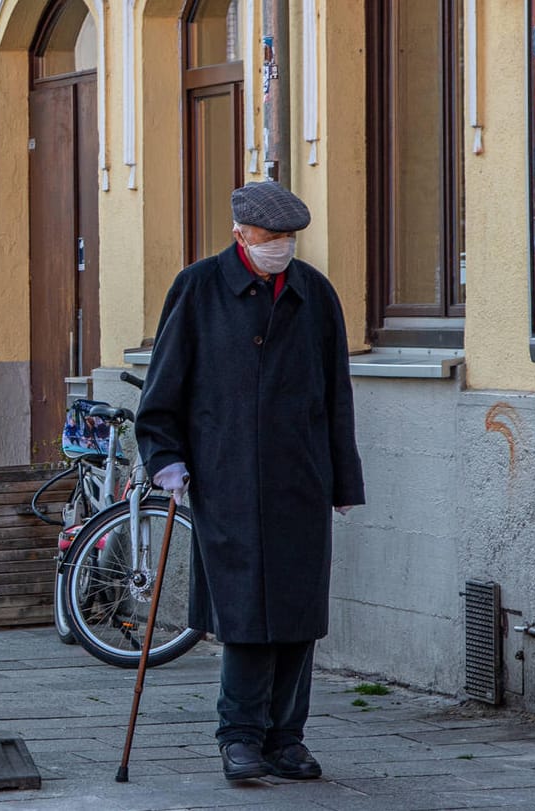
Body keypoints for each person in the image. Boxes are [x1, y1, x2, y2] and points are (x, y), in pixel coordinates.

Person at [134, 181, 365, 782]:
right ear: (241, 234)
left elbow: (335, 394)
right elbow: (163, 391)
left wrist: (343, 479)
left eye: (289, 238)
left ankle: (287, 738)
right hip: (227, 479)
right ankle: (239, 736)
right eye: (271, 237)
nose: (281, 247)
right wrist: (166, 458)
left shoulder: (315, 294)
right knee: (245, 615)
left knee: (297, 615)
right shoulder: (198, 288)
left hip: (300, 481)